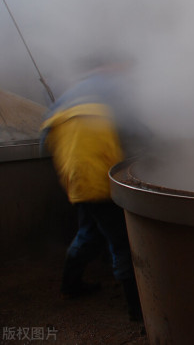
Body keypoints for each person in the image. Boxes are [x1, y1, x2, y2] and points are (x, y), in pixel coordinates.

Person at [40, 55, 145, 322]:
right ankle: (137, 309)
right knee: (123, 241)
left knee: (89, 230)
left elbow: (44, 141)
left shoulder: (71, 93)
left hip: (74, 176)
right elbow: (138, 127)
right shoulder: (113, 87)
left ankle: (70, 285)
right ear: (114, 66)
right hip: (101, 176)